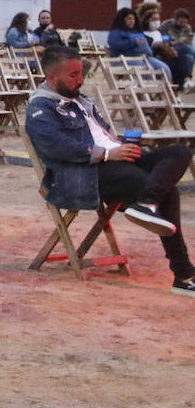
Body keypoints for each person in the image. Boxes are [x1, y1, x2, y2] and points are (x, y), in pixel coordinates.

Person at [26, 46, 195, 296]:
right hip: (85, 174)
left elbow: (103, 134)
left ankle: (147, 203)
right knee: (166, 191)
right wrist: (107, 154)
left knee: (180, 152)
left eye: (81, 73)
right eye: (73, 74)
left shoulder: (82, 100)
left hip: (115, 160)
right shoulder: (41, 108)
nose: (80, 79)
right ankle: (184, 274)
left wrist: (121, 147)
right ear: (51, 76)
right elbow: (57, 147)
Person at [107, 8, 171, 81]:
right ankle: (147, 90)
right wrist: (133, 42)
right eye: (129, 19)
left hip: (144, 57)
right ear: (122, 19)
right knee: (145, 69)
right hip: (124, 59)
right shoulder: (115, 32)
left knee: (165, 68)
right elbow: (116, 45)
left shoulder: (136, 32)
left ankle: (165, 89)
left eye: (133, 19)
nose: (132, 21)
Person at [160, 8, 195, 92]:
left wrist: (178, 41)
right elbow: (164, 40)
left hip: (181, 51)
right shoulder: (166, 25)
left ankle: (187, 81)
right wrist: (176, 42)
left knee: (188, 57)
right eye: (181, 22)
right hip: (168, 49)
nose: (183, 24)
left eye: (185, 23)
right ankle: (188, 82)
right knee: (185, 49)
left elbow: (188, 41)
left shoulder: (187, 28)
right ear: (175, 18)